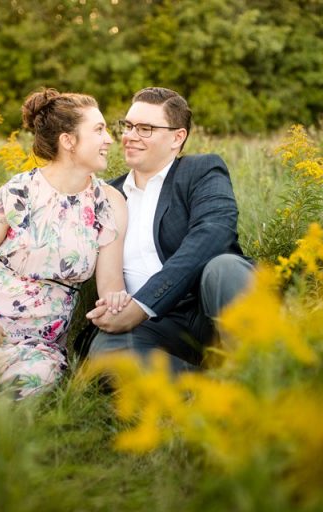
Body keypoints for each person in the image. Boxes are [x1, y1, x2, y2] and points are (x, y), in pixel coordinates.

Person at [0, 88, 130, 399]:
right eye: (98, 130)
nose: (109, 138)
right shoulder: (18, 192)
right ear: (68, 141)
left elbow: (110, 284)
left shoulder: (109, 203)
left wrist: (115, 305)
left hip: (37, 344)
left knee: (29, 383)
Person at [84, 87, 253, 373]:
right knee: (104, 354)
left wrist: (144, 303)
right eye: (128, 126)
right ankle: (216, 391)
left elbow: (214, 232)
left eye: (146, 128)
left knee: (225, 266)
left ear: (178, 137)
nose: (130, 136)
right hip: (156, 329)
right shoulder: (107, 194)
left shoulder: (201, 171)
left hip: (208, 310)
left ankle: (258, 372)